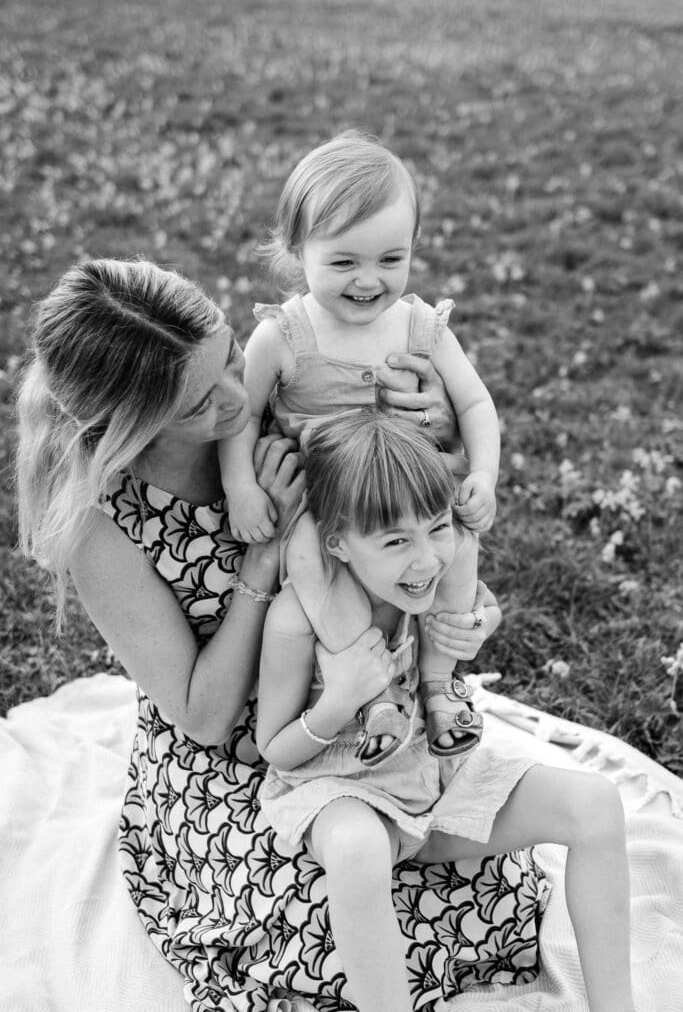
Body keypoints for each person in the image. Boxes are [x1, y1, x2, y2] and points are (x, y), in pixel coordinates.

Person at [15, 258, 548, 1012]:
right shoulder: (100, 523)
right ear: (127, 426)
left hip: (357, 702)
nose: (237, 399)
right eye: (200, 402)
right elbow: (200, 716)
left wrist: (432, 433)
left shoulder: (274, 406)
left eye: (230, 356)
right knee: (332, 923)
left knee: (480, 874)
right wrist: (261, 565)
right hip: (234, 753)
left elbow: (397, 521)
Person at [257, 408, 635, 1012]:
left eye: (436, 528)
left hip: (435, 782)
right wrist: (339, 702)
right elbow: (273, 748)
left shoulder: (426, 586)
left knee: (596, 804)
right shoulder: (297, 620)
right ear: (337, 543)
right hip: (343, 793)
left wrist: (481, 626)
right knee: (356, 850)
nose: (427, 559)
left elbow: (480, 607)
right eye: (395, 541)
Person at [219, 130, 500, 763]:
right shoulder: (283, 336)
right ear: (298, 251)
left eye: (390, 260)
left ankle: (440, 681)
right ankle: (374, 694)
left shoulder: (419, 326)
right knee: (313, 574)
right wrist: (241, 484)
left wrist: (481, 472)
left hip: (412, 494)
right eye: (344, 263)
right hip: (322, 502)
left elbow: (477, 402)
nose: (369, 281)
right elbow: (241, 415)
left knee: (458, 547)